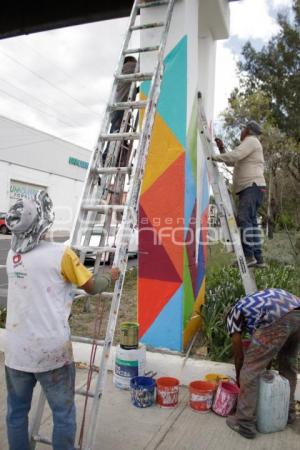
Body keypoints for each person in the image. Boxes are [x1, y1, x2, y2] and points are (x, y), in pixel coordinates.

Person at [4, 191, 120, 450]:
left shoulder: (13, 257)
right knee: (63, 414)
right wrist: (111, 275)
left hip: (16, 352)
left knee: (16, 413)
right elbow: (92, 287)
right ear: (44, 221)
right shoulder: (62, 254)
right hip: (51, 351)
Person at [226, 288, 300, 439]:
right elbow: (268, 350)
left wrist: (241, 378)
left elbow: (239, 356)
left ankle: (244, 422)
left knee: (250, 368)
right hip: (296, 313)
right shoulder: (251, 307)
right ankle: (289, 413)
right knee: (288, 366)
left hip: (278, 316)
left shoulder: (232, 314)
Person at [214, 121, 266, 268]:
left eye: (243, 128)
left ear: (248, 130)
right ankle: (258, 257)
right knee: (251, 222)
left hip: (251, 187)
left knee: (244, 219)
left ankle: (249, 256)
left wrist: (212, 157)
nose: (241, 131)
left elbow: (235, 156)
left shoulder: (251, 141)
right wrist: (221, 148)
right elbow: (232, 163)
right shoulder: (251, 144)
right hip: (254, 188)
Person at [102, 56, 138, 165]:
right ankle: (107, 158)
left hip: (118, 108)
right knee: (116, 134)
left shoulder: (122, 75)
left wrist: (138, 90)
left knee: (117, 135)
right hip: (121, 108)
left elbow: (129, 90)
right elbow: (140, 68)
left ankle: (116, 157)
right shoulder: (130, 67)